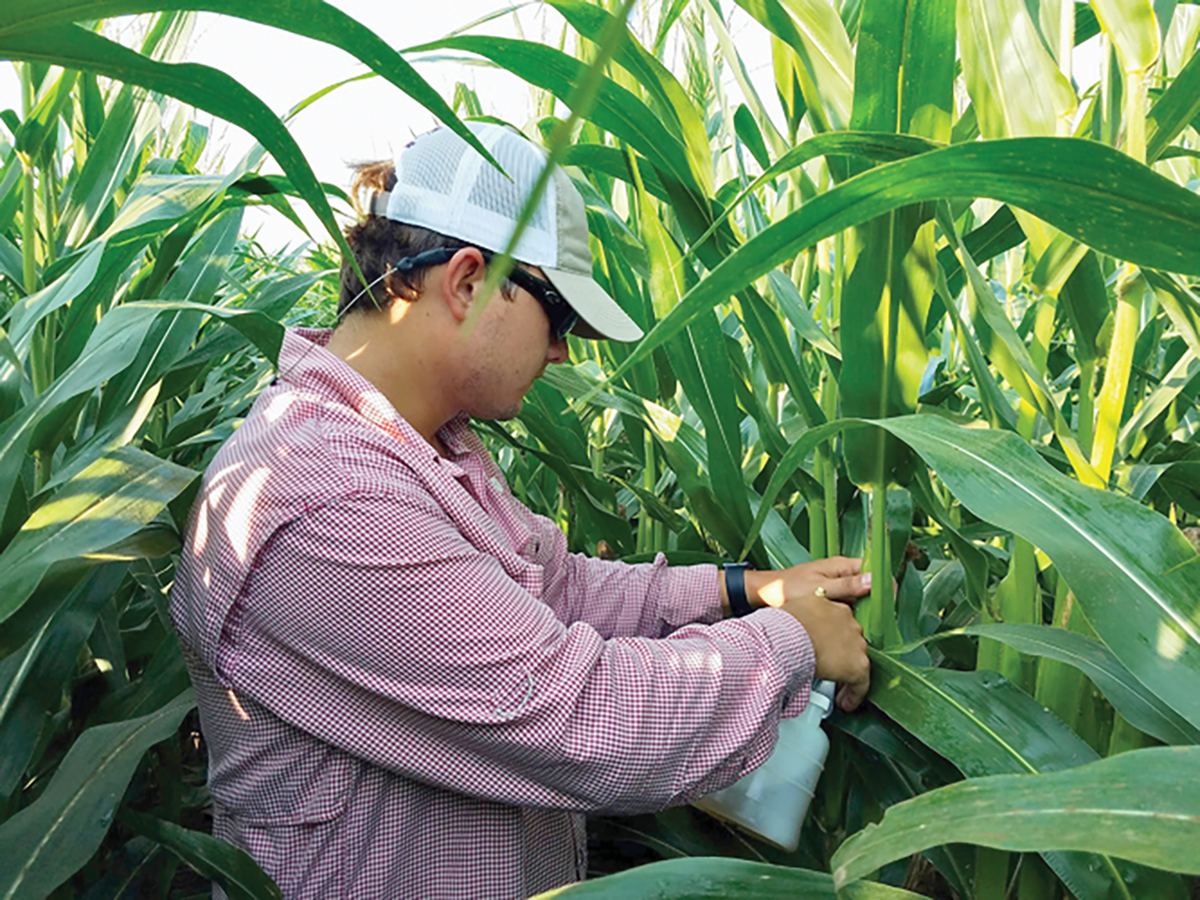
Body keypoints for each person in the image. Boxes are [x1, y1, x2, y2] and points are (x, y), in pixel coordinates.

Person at [170, 122, 870, 900]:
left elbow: (555, 590)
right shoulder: (326, 494)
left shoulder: (426, 450)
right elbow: (577, 718)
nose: (565, 351)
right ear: (469, 281)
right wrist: (791, 644)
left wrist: (746, 590)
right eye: (559, 315)